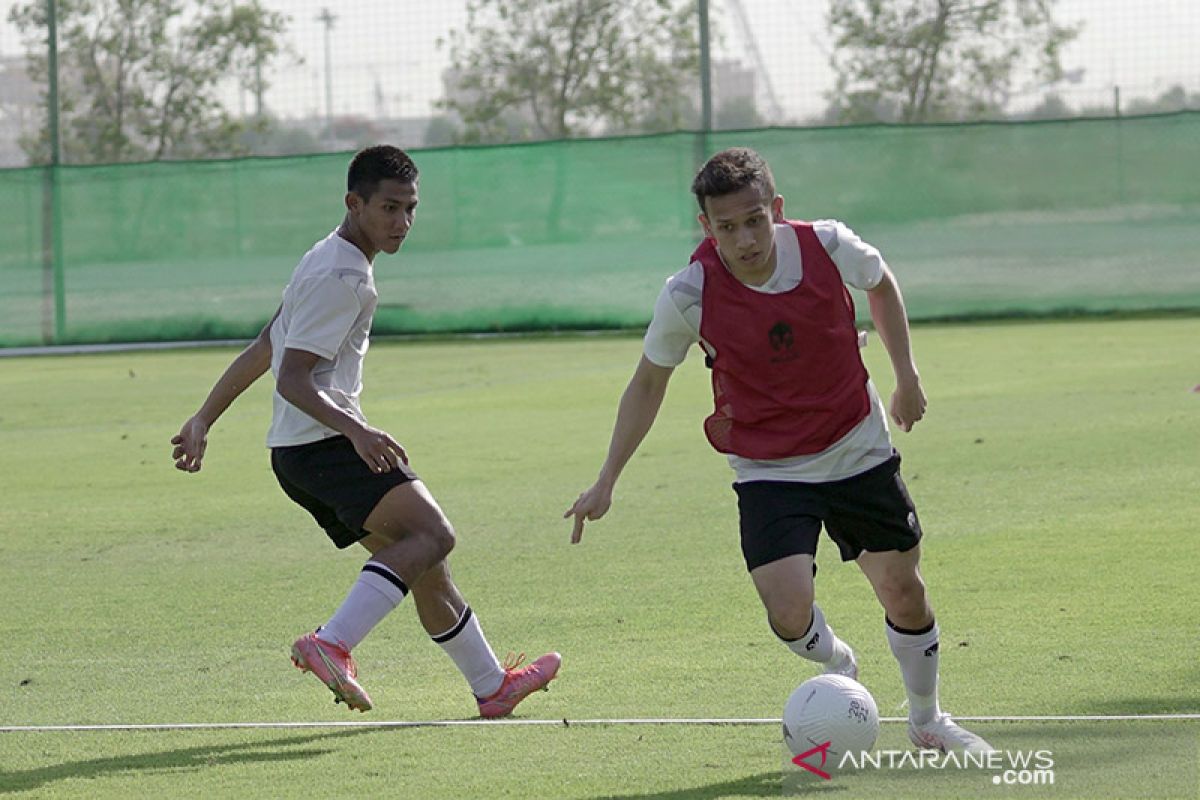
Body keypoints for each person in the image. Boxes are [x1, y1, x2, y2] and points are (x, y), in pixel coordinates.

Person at [564, 147, 992, 754]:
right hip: (768, 467)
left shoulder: (827, 244)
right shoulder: (689, 293)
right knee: (789, 613)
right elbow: (648, 382)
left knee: (904, 589)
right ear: (706, 227)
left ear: (777, 210)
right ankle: (841, 663)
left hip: (856, 448)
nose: (745, 239)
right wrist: (607, 477)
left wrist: (907, 376)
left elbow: (881, 283)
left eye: (755, 219)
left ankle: (927, 718)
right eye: (728, 226)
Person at [172, 144, 560, 717]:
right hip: (323, 446)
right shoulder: (345, 277)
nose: (401, 222)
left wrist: (205, 416)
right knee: (434, 535)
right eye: (388, 207)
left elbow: (265, 345)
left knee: (427, 565)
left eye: (410, 208)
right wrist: (358, 430)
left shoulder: (321, 256)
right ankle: (331, 642)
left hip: (297, 454)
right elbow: (293, 377)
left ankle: (492, 687)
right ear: (354, 203)